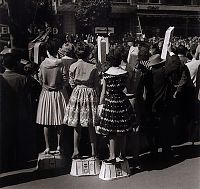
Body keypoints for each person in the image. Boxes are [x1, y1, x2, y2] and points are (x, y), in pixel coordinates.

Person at [63, 42, 100, 159]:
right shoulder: (93, 67)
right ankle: (94, 151)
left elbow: (72, 83)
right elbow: (96, 83)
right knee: (91, 124)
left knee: (77, 123)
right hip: (89, 93)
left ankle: (75, 150)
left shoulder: (73, 66)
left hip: (77, 93)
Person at [98, 46, 134, 163]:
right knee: (122, 130)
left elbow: (103, 92)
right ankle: (122, 154)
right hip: (122, 101)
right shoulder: (125, 73)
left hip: (110, 102)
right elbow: (129, 88)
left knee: (111, 131)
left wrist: (100, 103)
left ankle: (112, 155)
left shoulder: (106, 74)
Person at [36, 39, 68, 154]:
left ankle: (48, 147)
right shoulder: (61, 63)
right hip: (59, 93)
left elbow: (40, 80)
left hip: (46, 93)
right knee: (59, 120)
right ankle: (59, 146)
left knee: (46, 121)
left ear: (47, 51)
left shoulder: (43, 64)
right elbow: (65, 80)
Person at [0, 53, 31, 171]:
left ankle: (6, 161)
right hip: (20, 111)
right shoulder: (22, 78)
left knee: (6, 138)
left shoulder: (2, 78)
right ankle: (19, 161)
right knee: (19, 137)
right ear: (16, 64)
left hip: (5, 113)